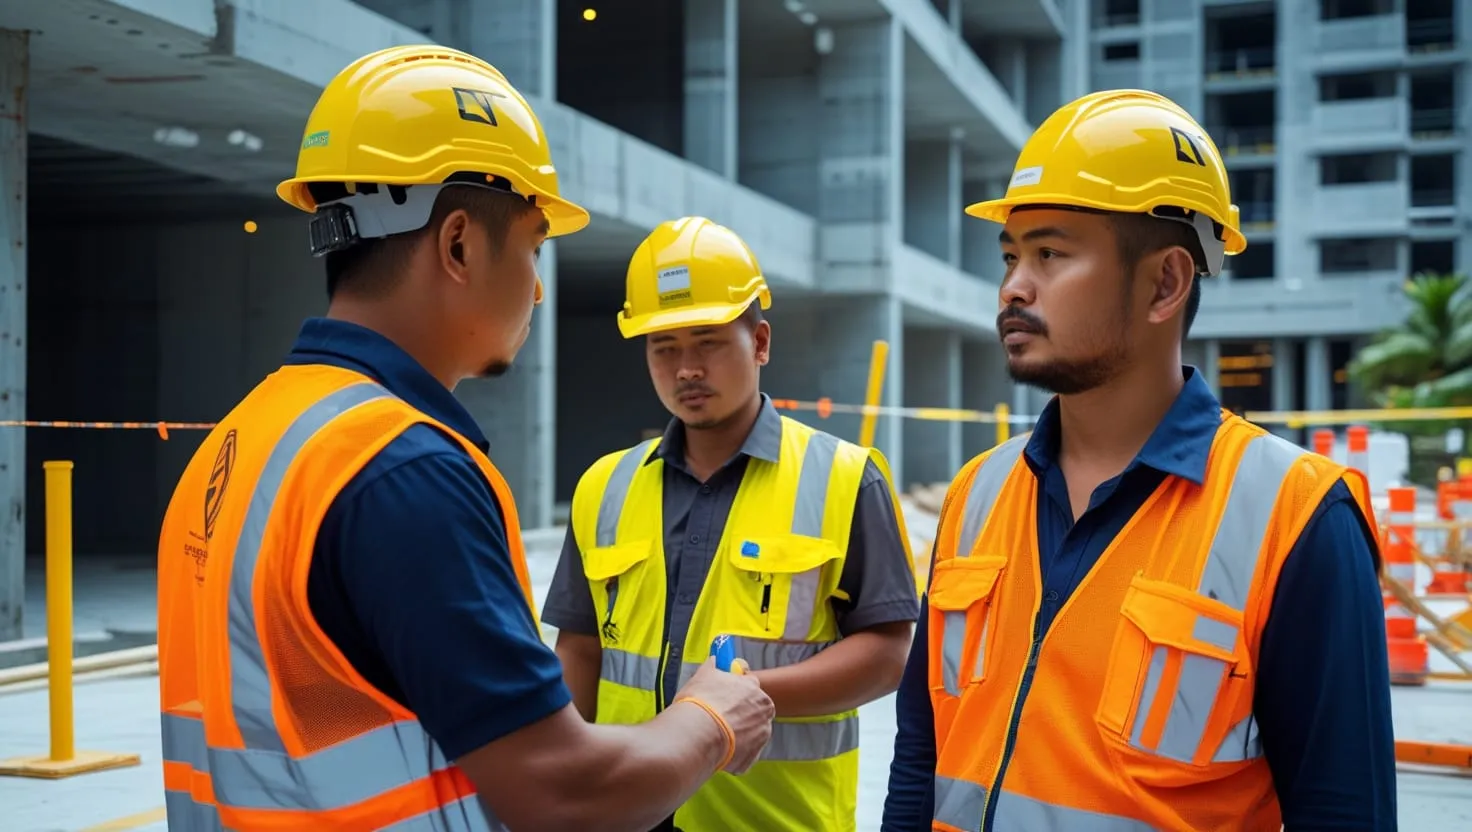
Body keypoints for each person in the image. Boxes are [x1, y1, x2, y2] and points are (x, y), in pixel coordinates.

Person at [156, 46, 775, 832]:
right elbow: (560, 791)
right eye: (535, 246)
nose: (541, 285)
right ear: (459, 244)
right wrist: (711, 717)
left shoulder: (245, 437)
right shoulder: (402, 470)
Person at [881, 90, 1397, 831]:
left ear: (1165, 283)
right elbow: (920, 758)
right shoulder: (975, 495)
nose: (1013, 287)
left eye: (1051, 253)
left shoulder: (1297, 518)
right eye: (1011, 255)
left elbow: (1346, 812)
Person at [541, 216, 921, 831]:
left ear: (761, 342)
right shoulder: (603, 486)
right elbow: (580, 650)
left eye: (708, 341)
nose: (686, 368)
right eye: (664, 347)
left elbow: (886, 654)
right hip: (624, 813)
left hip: (775, 819)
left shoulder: (846, 478)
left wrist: (735, 703)